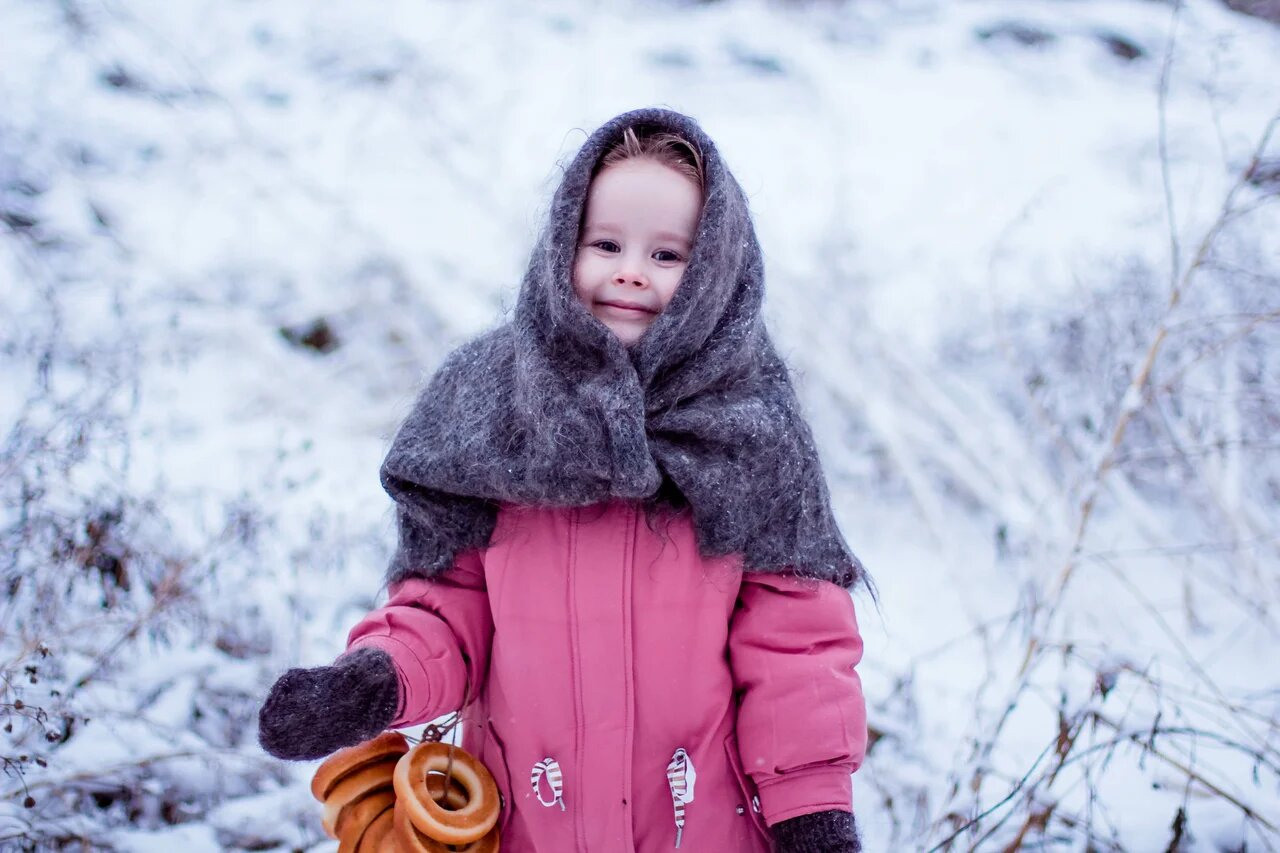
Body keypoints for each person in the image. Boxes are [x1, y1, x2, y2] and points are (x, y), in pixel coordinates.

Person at [257, 107, 870, 852]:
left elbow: (794, 648)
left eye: (669, 254)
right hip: (524, 827)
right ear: (561, 247)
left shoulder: (752, 427)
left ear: (716, 272)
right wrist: (377, 679)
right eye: (604, 242)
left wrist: (813, 813)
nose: (630, 269)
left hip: (703, 829)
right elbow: (448, 607)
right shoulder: (490, 406)